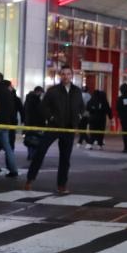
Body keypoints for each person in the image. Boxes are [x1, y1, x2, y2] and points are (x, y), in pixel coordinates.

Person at [24, 65, 84, 193]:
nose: (66, 76)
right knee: (40, 151)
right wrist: (51, 118)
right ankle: (30, 179)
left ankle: (61, 185)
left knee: (65, 158)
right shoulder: (53, 91)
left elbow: (81, 107)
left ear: (71, 75)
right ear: (60, 75)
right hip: (54, 126)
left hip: (68, 129)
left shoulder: (77, 91)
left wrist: (78, 118)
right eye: (63, 74)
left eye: (68, 74)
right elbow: (43, 107)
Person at [0, 73, 19, 177]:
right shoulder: (8, 92)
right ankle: (13, 169)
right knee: (8, 147)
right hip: (6, 123)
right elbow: (12, 108)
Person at [23, 85, 44, 161]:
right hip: (36, 123)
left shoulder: (28, 99)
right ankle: (33, 156)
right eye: (41, 93)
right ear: (38, 92)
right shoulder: (36, 100)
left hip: (28, 123)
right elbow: (39, 113)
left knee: (30, 140)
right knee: (35, 140)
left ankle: (30, 154)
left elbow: (24, 110)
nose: (41, 95)